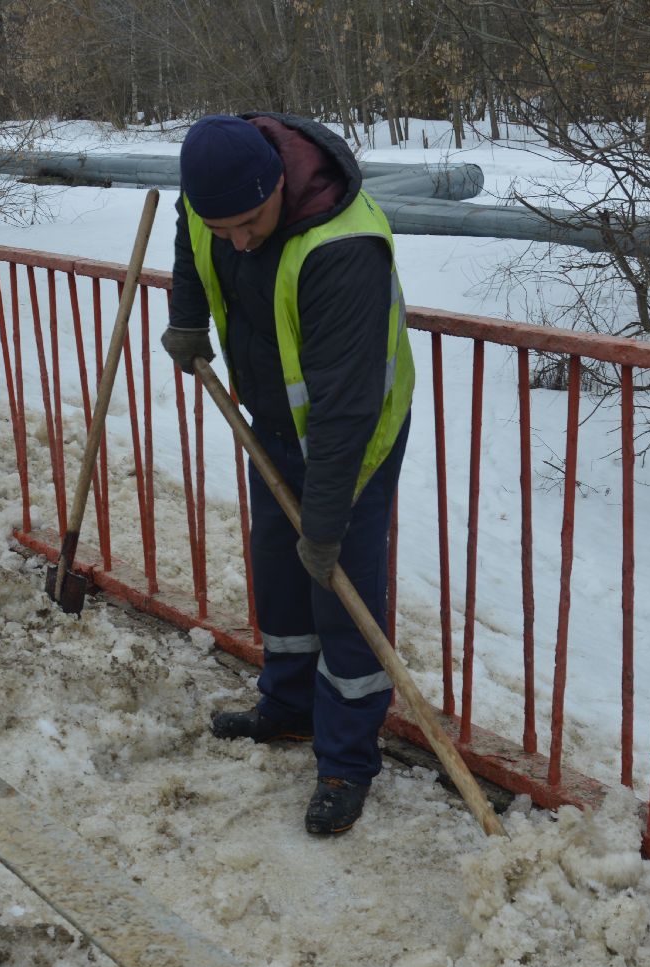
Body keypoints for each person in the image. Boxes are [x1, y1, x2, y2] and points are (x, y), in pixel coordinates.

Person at [161, 113, 415, 836]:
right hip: (270, 422)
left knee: (340, 589)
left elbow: (345, 411)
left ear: (277, 185)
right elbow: (191, 231)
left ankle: (345, 762)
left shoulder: (342, 249)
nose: (236, 240)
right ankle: (290, 707)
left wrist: (328, 527)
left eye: (248, 222)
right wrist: (187, 314)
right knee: (278, 568)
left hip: (352, 438)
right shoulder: (214, 197)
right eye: (223, 227)